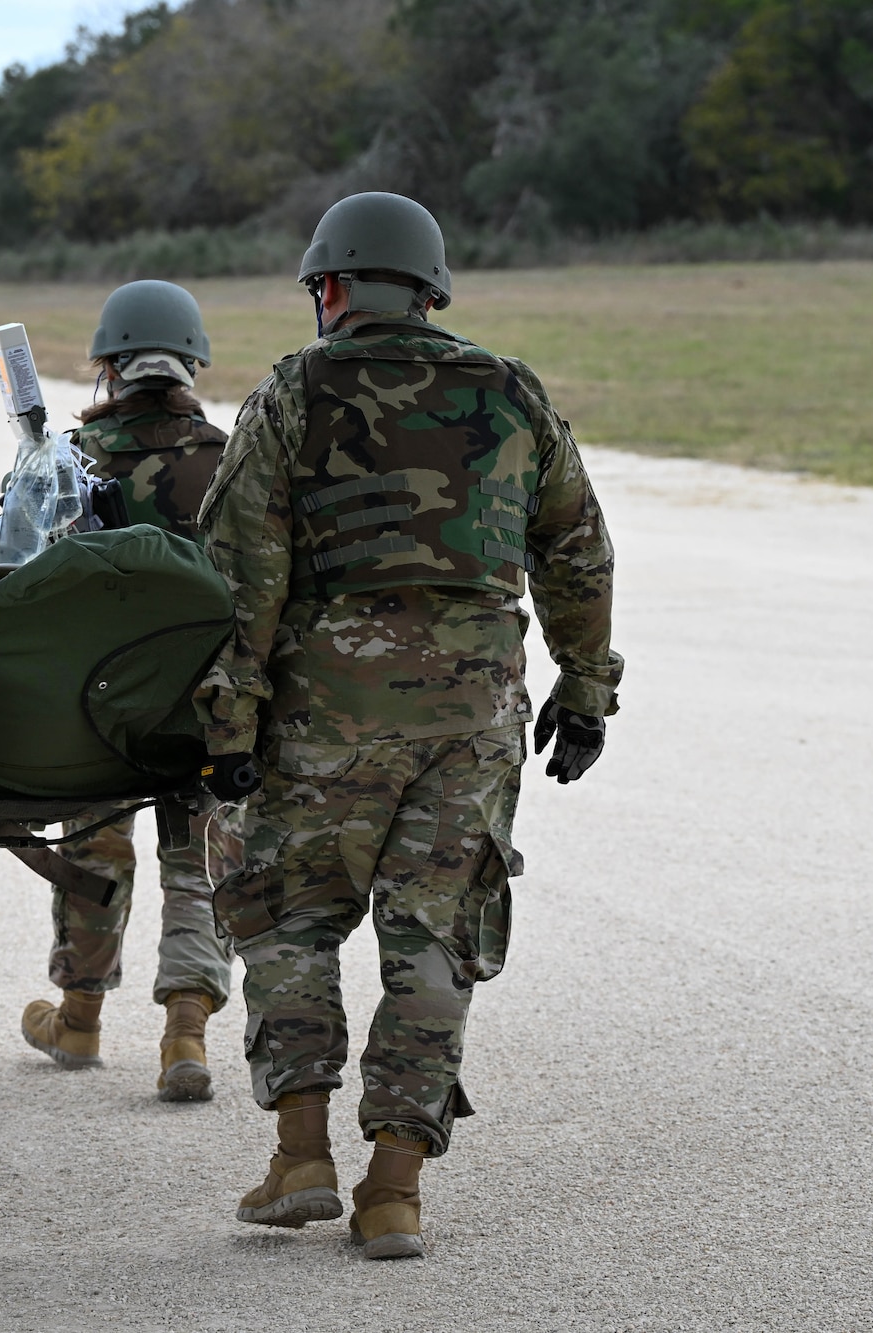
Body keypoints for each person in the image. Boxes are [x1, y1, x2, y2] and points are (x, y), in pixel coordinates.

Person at [196, 192, 621, 1260]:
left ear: (330, 287)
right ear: (428, 290)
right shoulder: (508, 388)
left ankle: (299, 1155)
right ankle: (394, 1188)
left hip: (323, 705)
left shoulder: (291, 390)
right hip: (471, 707)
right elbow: (575, 548)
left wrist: (229, 723)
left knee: (288, 920)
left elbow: (241, 569)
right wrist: (584, 686)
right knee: (430, 931)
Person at [18, 280, 235, 1102]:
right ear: (192, 364)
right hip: (205, 704)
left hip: (98, 707)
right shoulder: (232, 459)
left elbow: (26, 580)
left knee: (95, 849)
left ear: (108, 367)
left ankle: (78, 1017)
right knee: (198, 857)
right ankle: (186, 1032)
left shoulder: (68, 460)